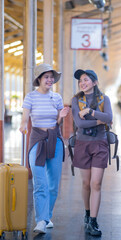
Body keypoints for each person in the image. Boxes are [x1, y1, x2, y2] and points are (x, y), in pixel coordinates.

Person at [19, 63, 69, 234]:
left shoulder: (57, 98)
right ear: (39, 79)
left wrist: (61, 116)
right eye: (46, 77)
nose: (50, 80)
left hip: (55, 139)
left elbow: (58, 122)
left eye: (52, 77)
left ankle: (47, 216)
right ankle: (41, 220)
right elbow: (25, 117)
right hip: (37, 140)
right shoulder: (30, 97)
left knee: (53, 184)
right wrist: (23, 125)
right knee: (40, 182)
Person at [71, 69, 113, 236]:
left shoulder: (105, 99)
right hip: (83, 144)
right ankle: (87, 214)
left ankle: (93, 222)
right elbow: (79, 124)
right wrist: (98, 120)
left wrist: (90, 112)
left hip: (100, 144)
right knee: (86, 184)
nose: (83, 83)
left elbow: (109, 117)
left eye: (86, 79)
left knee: (96, 183)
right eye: (81, 80)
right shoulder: (76, 100)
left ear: (94, 82)